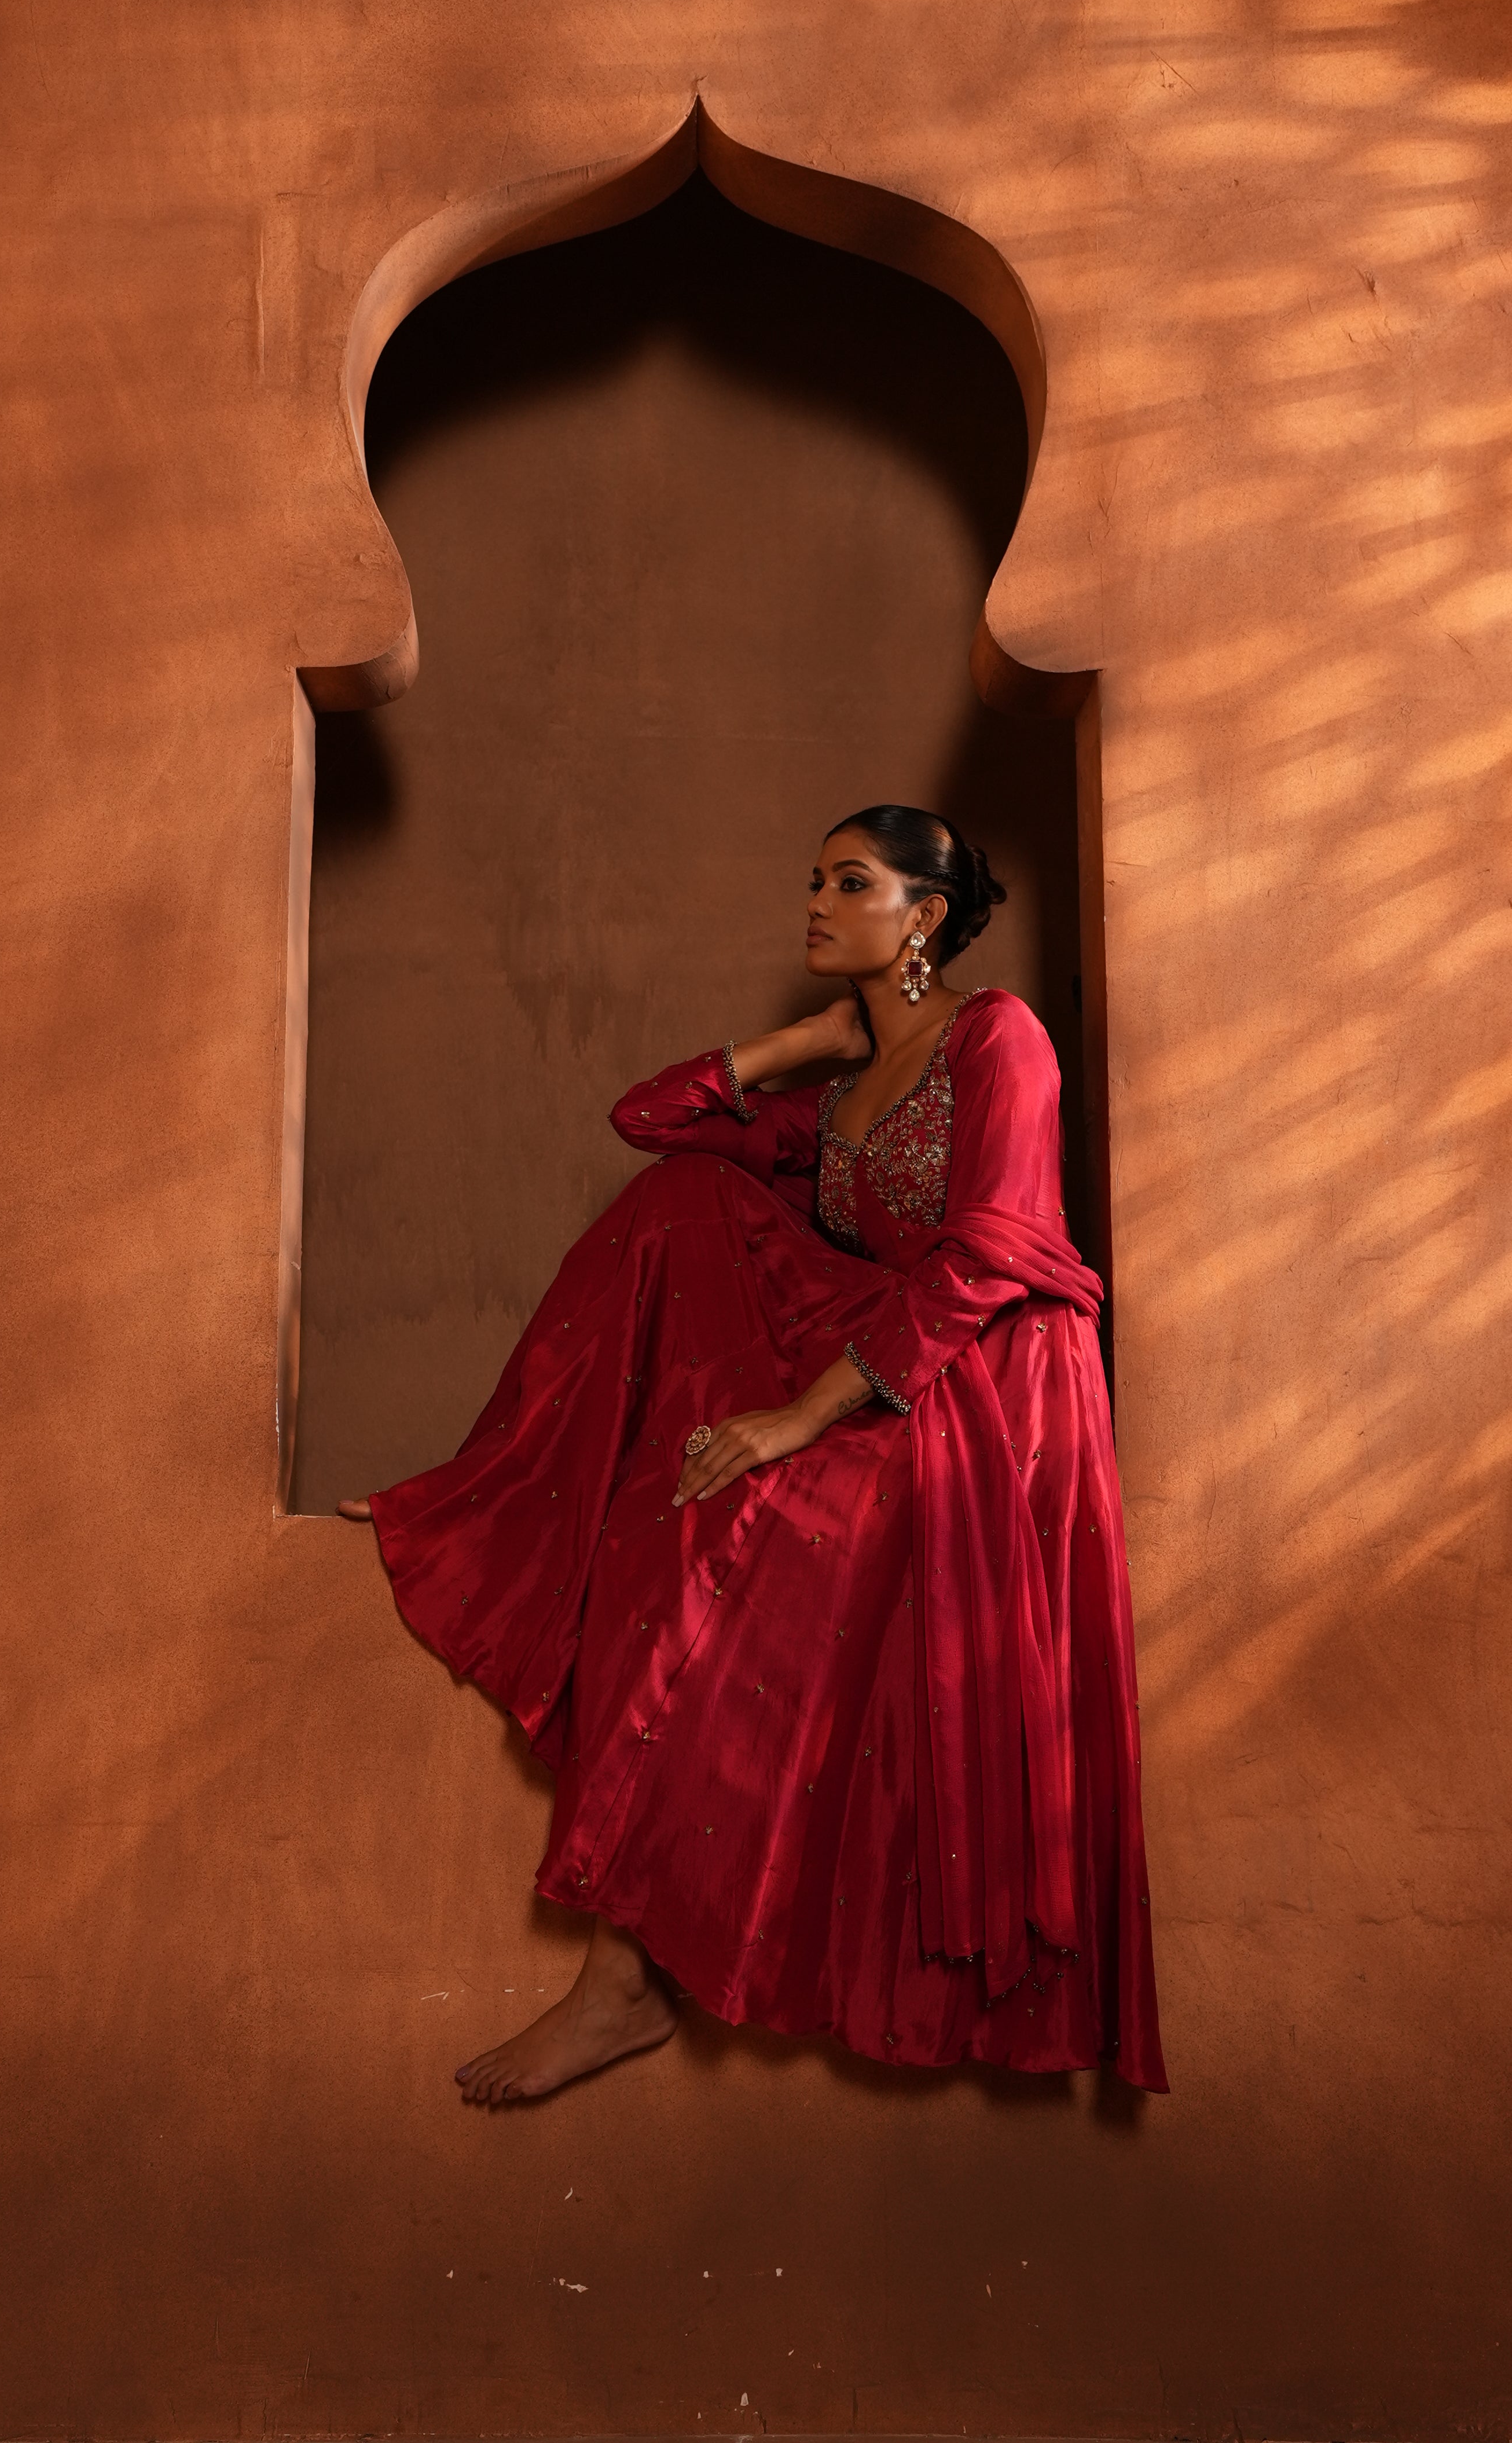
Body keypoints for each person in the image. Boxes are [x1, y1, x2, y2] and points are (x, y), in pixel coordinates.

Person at [340, 805, 1166, 2102]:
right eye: (815, 879)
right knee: (681, 1210)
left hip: (983, 1381)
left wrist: (798, 1414)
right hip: (884, 1369)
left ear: (925, 917)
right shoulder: (840, 1099)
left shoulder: (999, 1036)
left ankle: (620, 1981)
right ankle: (490, 1498)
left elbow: (992, 1252)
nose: (816, 903)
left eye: (851, 882)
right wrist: (800, 1041)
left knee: (735, 1515)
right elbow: (650, 1121)